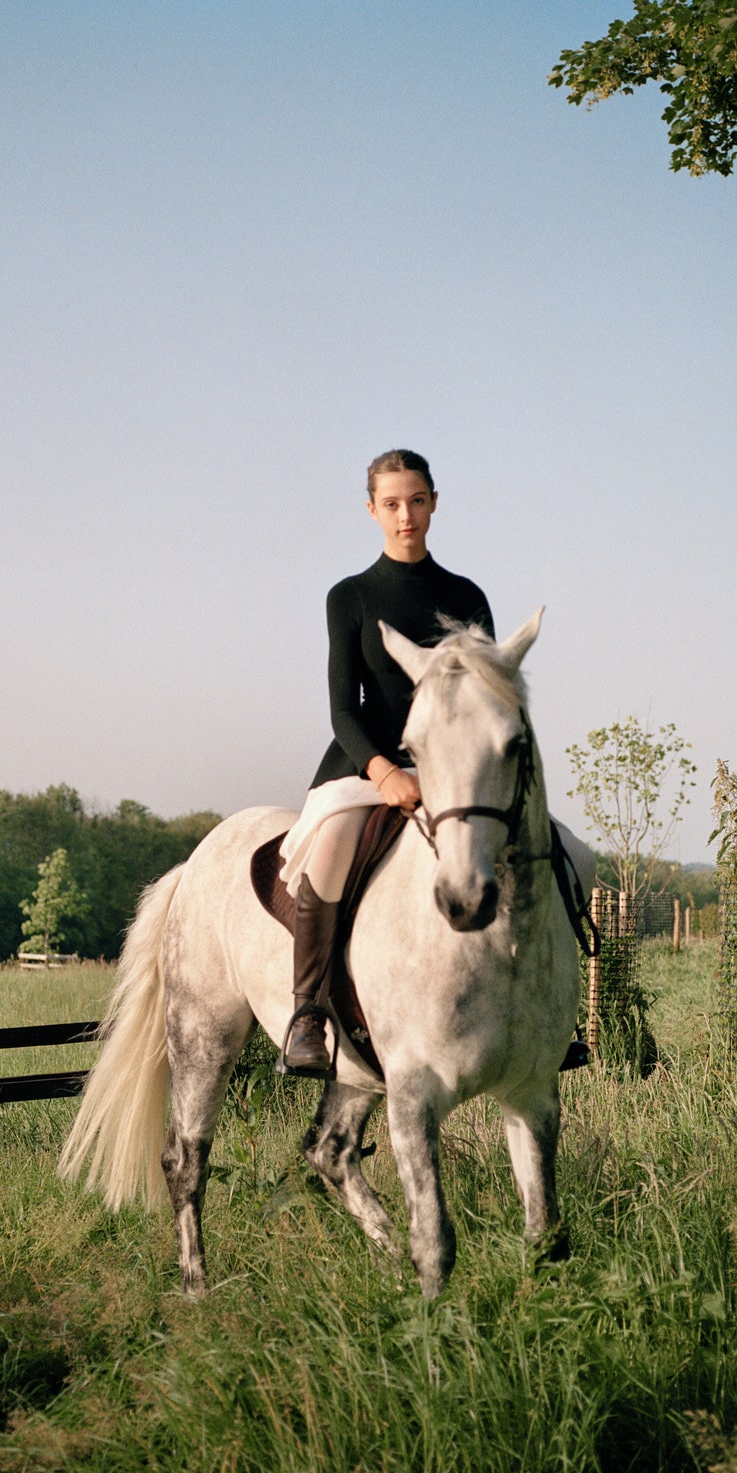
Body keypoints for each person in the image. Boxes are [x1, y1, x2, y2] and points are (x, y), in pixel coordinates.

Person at [277, 449, 493, 1073]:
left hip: (450, 768)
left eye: (417, 501)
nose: (406, 516)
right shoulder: (349, 597)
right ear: (371, 509)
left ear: (434, 503)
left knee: (522, 842)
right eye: (392, 504)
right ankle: (307, 1015)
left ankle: (534, 1003)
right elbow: (343, 710)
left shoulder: (467, 596)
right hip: (366, 767)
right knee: (332, 849)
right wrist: (386, 773)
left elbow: (483, 699)